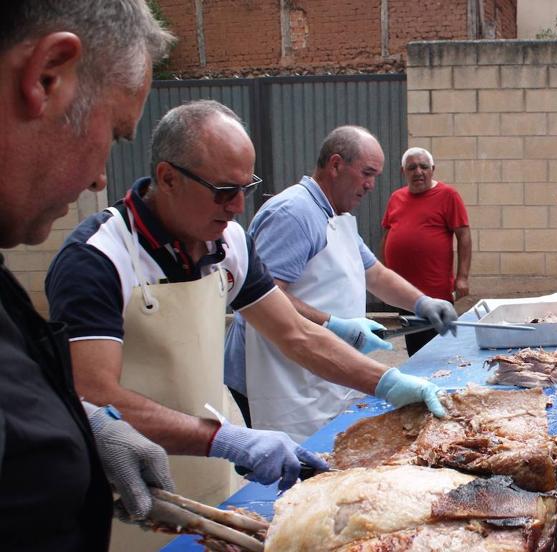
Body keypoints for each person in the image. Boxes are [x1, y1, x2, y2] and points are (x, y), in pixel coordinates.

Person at [46, 103, 447, 507]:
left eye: (246, 189)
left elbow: (294, 333)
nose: (238, 207)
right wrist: (226, 439)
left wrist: (388, 383)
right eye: (224, 192)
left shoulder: (229, 243)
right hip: (135, 477)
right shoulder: (98, 257)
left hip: (216, 459)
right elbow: (93, 394)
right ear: (168, 178)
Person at [0, 1, 175, 549]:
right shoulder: (93, 256)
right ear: (48, 76)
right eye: (116, 132)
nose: (101, 178)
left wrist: (78, 420)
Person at [223, 127, 459, 441]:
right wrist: (334, 324)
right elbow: (266, 293)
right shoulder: (294, 213)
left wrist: (421, 302)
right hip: (277, 375)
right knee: (287, 468)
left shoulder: (338, 215)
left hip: (314, 372)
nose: (371, 185)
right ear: (336, 165)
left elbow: (374, 273)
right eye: (367, 173)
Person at [381, 147, 471, 355]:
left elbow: (464, 236)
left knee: (439, 349)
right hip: (402, 290)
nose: (418, 172)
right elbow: (387, 234)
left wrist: (462, 277)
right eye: (412, 167)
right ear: (403, 171)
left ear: (433, 169)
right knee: (415, 348)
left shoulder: (448, 195)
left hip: (434, 290)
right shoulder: (396, 197)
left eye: (423, 166)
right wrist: (384, 273)